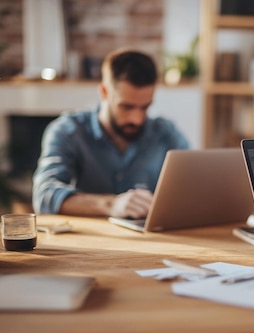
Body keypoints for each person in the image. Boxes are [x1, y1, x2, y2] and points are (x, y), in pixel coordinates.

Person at [32, 48, 189, 218]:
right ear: (104, 92)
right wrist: (111, 205)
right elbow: (44, 195)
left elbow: (196, 184)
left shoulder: (166, 132)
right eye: (126, 107)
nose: (136, 119)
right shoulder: (68, 131)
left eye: (145, 107)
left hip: (151, 240)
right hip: (91, 240)